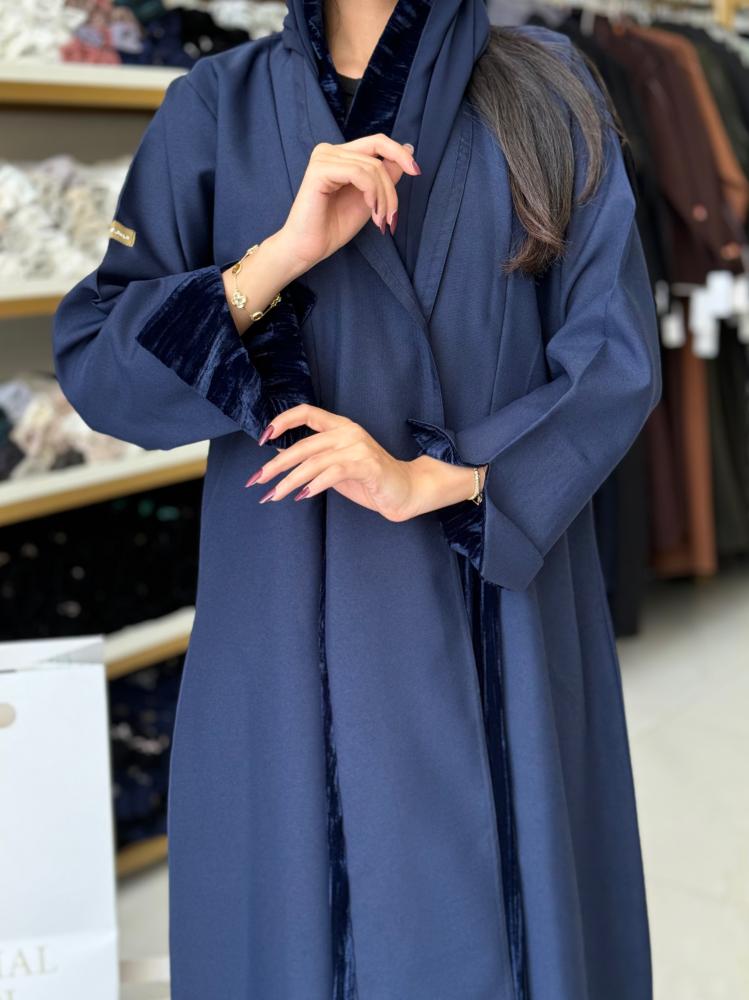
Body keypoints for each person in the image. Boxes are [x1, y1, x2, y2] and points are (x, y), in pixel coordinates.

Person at [52, 1, 662, 997]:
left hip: (491, 596)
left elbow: (614, 356)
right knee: (297, 925)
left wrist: (448, 478)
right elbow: (99, 368)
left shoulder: (547, 85)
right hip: (284, 608)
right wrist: (277, 258)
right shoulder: (216, 106)